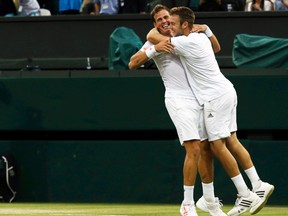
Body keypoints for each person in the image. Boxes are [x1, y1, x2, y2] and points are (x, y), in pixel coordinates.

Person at [148, 6, 274, 216]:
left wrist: (155, 42)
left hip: (214, 97)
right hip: (226, 91)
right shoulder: (201, 37)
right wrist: (206, 28)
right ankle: (257, 183)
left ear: (185, 25)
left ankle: (246, 193)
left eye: (174, 22)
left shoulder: (184, 42)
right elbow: (216, 46)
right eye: (164, 21)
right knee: (231, 141)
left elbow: (152, 37)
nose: (170, 25)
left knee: (217, 145)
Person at [129, 4, 226, 216]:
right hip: (178, 100)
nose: (165, 22)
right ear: (155, 25)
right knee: (193, 147)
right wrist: (154, 49)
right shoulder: (151, 41)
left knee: (206, 149)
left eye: (167, 18)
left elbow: (216, 48)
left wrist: (206, 29)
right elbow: (132, 63)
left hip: (200, 99)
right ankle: (187, 203)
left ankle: (209, 200)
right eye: (160, 20)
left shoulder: (186, 37)